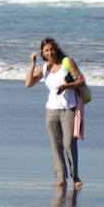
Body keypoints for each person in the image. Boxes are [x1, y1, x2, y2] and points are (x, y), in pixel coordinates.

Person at [24, 36, 85, 189]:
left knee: (68, 144)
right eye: (46, 50)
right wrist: (32, 64)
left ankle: (75, 176)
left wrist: (67, 86)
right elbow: (28, 84)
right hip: (52, 110)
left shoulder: (67, 62)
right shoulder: (44, 68)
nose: (50, 52)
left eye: (51, 49)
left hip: (68, 109)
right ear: (43, 53)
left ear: (56, 49)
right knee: (56, 146)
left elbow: (81, 80)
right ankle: (61, 179)